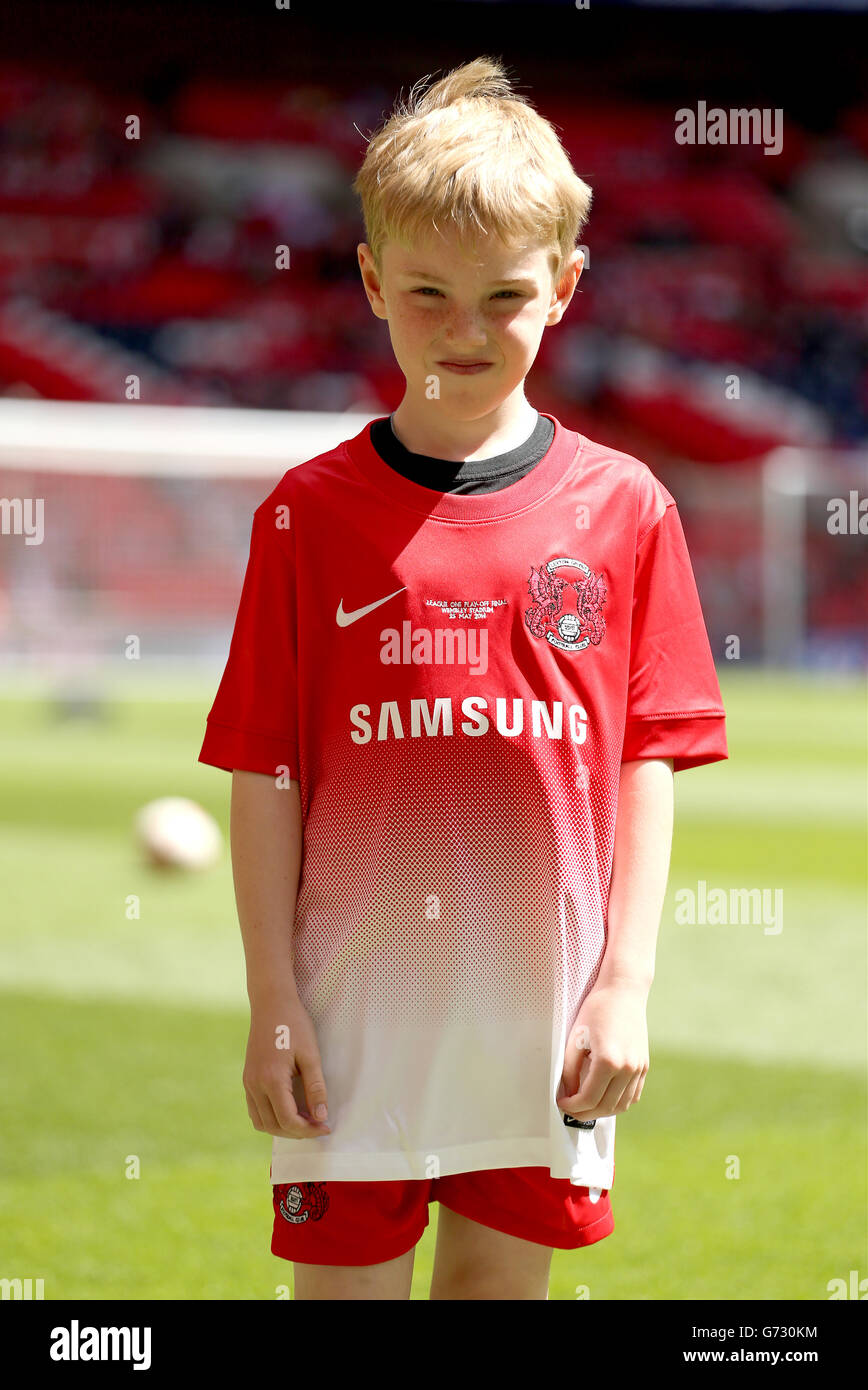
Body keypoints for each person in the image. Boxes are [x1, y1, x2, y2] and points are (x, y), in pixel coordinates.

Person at [198, 55, 728, 1301]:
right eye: (428, 291)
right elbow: (265, 772)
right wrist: (274, 999)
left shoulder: (625, 507)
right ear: (373, 280)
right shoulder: (308, 515)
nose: (466, 328)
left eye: (504, 295)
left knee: (498, 1291)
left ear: (565, 290)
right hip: (352, 1018)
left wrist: (625, 986)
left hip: (541, 1025)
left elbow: (647, 757)